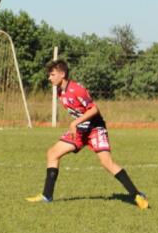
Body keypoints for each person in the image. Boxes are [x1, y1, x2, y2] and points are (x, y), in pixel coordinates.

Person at [25, 60, 148, 209]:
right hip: (81, 130)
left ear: (62, 74)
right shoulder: (59, 91)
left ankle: (137, 195)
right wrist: (77, 124)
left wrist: (75, 123)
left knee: (106, 163)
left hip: (95, 128)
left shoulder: (77, 89)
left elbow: (94, 109)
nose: (49, 78)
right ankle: (47, 196)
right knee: (52, 153)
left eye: (52, 74)